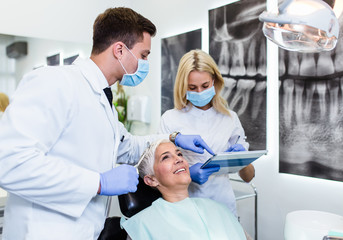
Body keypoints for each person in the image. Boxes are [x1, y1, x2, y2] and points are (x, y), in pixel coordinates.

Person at [0, 8, 213, 240]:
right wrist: (98, 183)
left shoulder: (102, 101)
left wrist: (173, 138)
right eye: (143, 55)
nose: (145, 63)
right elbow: (9, 162)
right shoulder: (55, 83)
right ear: (120, 50)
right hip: (42, 232)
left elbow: (128, 146)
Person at [159, 49, 255, 217]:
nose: (199, 93)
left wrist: (243, 160)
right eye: (192, 87)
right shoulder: (170, 119)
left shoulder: (230, 118)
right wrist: (188, 172)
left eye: (205, 86)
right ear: (183, 86)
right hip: (186, 207)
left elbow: (249, 177)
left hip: (223, 206)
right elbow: (158, 175)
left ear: (214, 81)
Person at [121, 139, 247, 240]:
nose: (179, 159)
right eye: (166, 157)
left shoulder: (219, 209)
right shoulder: (143, 225)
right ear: (151, 180)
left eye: (179, 154)